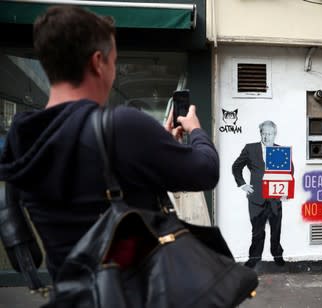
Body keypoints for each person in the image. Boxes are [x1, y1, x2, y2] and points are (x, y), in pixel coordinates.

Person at [0, 6, 219, 280]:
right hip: (129, 293)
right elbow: (206, 171)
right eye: (114, 62)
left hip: (70, 292)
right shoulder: (123, 127)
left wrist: (157, 144)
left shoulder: (23, 136)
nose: (113, 72)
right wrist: (196, 131)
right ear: (97, 62)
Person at [232, 120, 290, 268]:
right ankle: (254, 257)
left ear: (274, 134)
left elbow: (289, 171)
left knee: (276, 230)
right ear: (260, 134)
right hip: (256, 199)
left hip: (275, 199)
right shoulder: (250, 149)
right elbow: (236, 166)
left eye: (269, 134)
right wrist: (243, 184)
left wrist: (285, 191)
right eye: (264, 133)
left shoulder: (280, 150)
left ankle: (277, 255)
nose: (267, 137)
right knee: (257, 231)